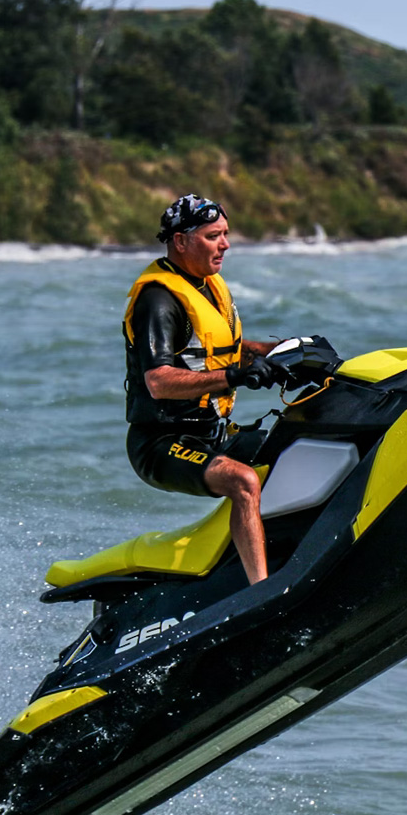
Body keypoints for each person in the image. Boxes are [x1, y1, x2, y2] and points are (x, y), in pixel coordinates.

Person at [123, 194, 283, 584]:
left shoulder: (208, 285)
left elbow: (219, 349)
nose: (225, 244)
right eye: (214, 236)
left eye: (225, 234)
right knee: (243, 481)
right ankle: (260, 591)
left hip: (213, 433)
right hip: (162, 442)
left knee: (294, 444)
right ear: (181, 241)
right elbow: (158, 382)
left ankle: (290, 551)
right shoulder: (158, 300)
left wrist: (281, 351)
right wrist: (234, 376)